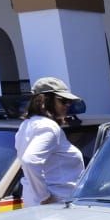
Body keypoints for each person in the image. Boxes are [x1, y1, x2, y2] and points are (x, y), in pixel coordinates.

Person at [16, 77, 86, 205]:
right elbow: (30, 161)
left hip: (35, 202)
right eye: (63, 101)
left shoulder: (26, 124)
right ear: (45, 101)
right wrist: (45, 197)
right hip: (56, 205)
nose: (68, 105)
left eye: (69, 101)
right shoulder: (48, 127)